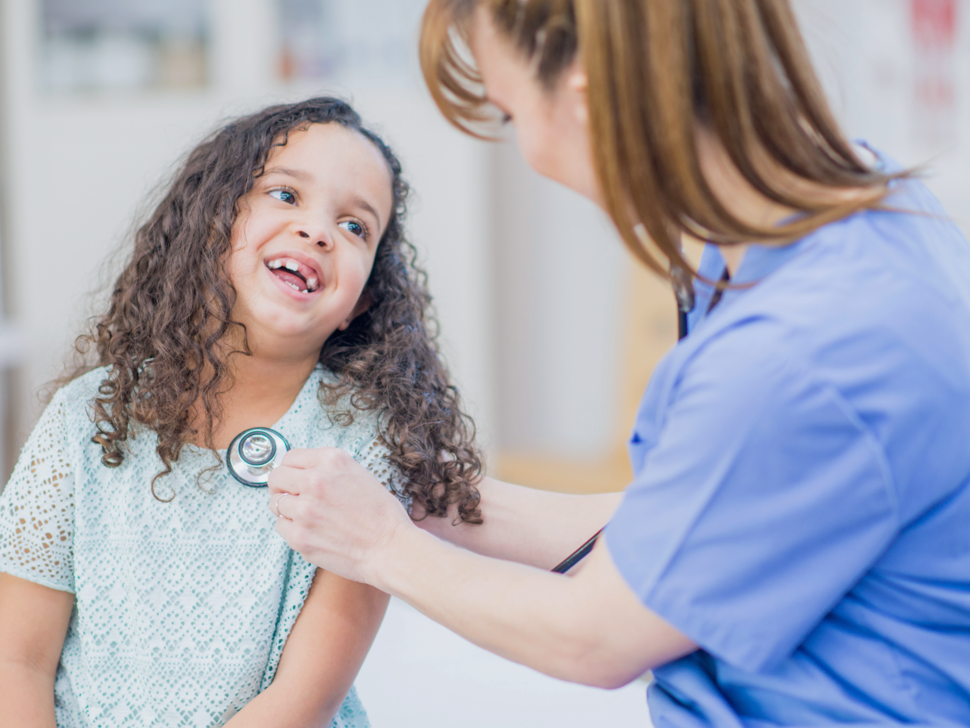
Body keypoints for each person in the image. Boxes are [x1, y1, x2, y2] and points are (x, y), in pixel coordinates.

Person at [266, 2, 970, 727]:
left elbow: (596, 635)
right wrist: (420, 495)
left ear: (589, 100)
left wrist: (382, 545)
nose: (529, 152)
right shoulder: (863, 201)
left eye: (511, 116)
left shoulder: (798, 352)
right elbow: (695, 516)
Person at [0, 97, 483, 727]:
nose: (317, 230)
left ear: (360, 305)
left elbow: (305, 699)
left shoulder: (361, 451)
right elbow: (18, 661)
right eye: (285, 195)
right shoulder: (84, 419)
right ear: (210, 221)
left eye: (356, 226)